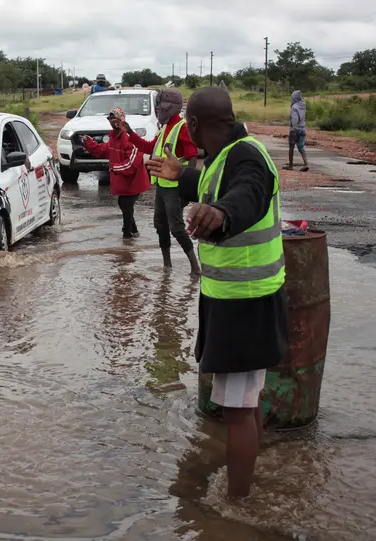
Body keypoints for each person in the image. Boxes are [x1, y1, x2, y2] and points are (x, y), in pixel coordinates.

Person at [147, 86, 288, 499]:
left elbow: (247, 194)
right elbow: (216, 186)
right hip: (232, 300)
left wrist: (223, 214)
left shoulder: (248, 155)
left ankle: (237, 505)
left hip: (248, 304)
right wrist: (183, 177)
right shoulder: (223, 155)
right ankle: (249, 482)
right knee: (248, 401)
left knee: (238, 411)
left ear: (191, 125)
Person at [126, 88, 201, 273]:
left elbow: (192, 156)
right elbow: (149, 146)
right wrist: (129, 132)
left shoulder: (181, 127)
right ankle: (167, 266)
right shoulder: (166, 128)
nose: (159, 109)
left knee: (176, 228)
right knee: (160, 225)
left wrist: (186, 188)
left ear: (172, 107)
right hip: (162, 185)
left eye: (161, 105)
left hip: (175, 188)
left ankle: (195, 267)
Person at [79, 107, 150, 238]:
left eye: (115, 120)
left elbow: (132, 164)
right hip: (123, 183)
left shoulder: (130, 139)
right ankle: (133, 232)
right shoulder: (113, 138)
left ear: (122, 121)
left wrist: (114, 168)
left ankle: (127, 235)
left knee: (125, 205)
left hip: (134, 182)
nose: (112, 122)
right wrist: (88, 143)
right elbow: (102, 150)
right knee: (124, 205)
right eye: (110, 120)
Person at [285, 90, 309, 172]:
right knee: (301, 147)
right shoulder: (303, 105)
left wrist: (294, 129)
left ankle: (290, 165)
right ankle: (306, 164)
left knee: (291, 147)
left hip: (295, 130)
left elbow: (294, 119)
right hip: (302, 129)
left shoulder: (294, 107)